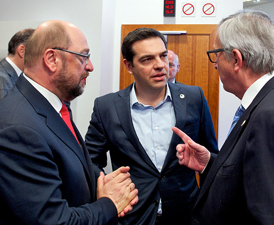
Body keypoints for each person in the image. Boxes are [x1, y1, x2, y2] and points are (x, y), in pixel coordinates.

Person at [0, 20, 138, 225]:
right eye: (84, 56)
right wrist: (110, 203)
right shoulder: (19, 128)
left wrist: (101, 179)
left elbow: (70, 161)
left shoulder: (52, 104)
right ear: (51, 59)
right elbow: (54, 221)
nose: (90, 66)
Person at [173, 10, 274, 224]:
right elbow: (256, 175)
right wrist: (210, 164)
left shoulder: (271, 116)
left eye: (217, 54)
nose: (214, 64)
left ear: (236, 59)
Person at [85, 27, 218, 225]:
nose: (160, 65)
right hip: (132, 216)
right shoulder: (107, 107)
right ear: (128, 66)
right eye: (147, 59)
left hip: (186, 215)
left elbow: (212, 157)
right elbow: (90, 162)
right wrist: (107, 190)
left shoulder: (193, 98)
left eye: (163, 56)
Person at [0, 28, 34, 100]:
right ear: (22, 51)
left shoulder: (18, 74)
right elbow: (7, 110)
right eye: (38, 51)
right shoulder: (2, 78)